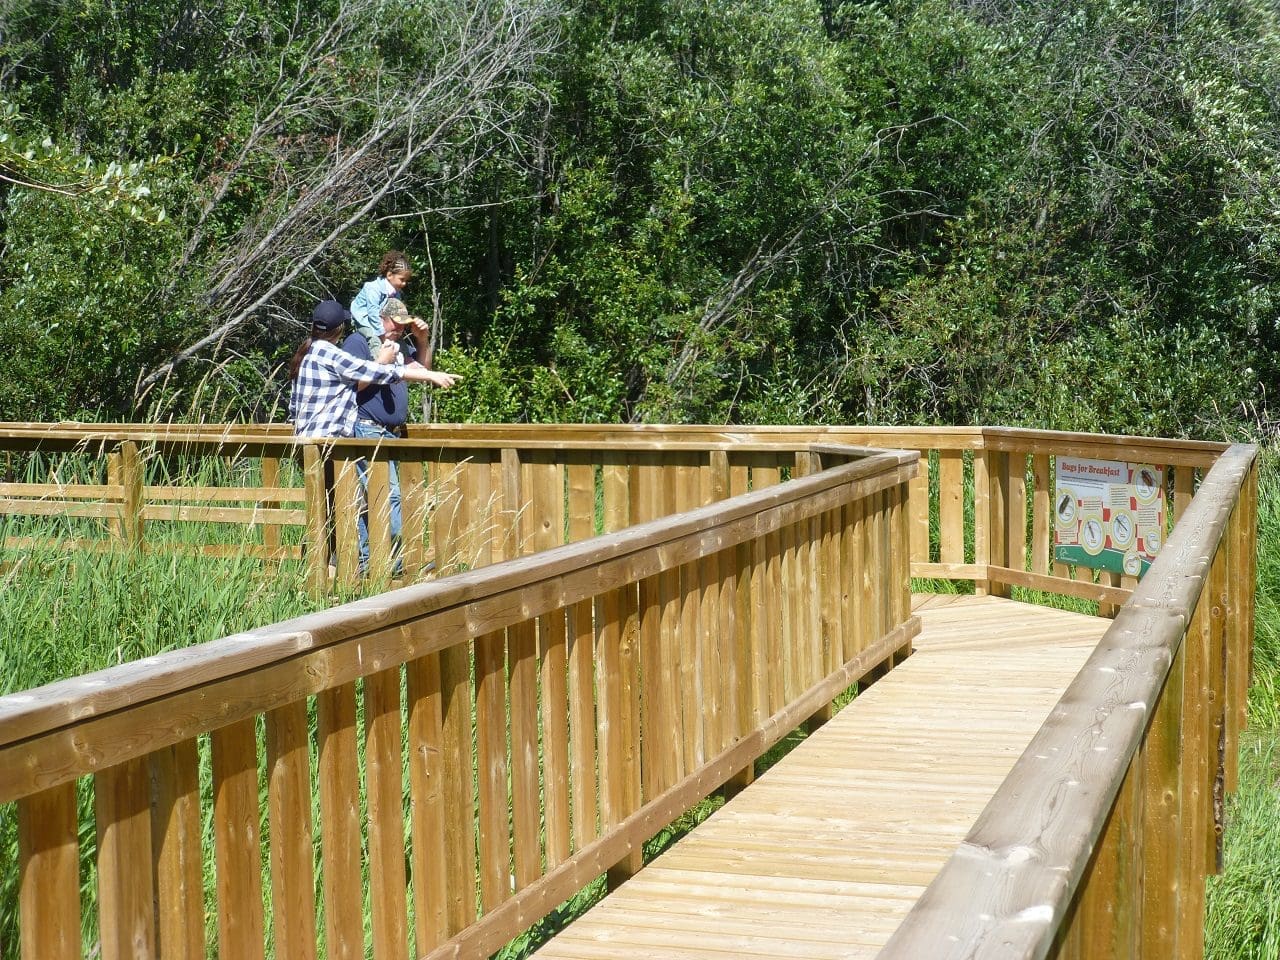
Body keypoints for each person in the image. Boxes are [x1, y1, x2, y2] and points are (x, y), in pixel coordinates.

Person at [288, 298, 459, 575]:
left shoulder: (308, 353)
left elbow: (294, 407)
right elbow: (374, 371)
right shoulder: (331, 353)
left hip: (312, 445)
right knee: (355, 503)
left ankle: (346, 565)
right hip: (328, 445)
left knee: (336, 505)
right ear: (339, 329)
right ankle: (375, 565)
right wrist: (426, 376)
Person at [343, 297, 458, 572]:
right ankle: (396, 559)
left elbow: (423, 371)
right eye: (394, 324)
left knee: (382, 496)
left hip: (392, 433)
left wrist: (422, 341)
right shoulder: (358, 342)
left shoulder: (400, 345)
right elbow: (350, 385)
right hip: (367, 427)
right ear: (379, 317)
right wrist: (382, 364)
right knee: (389, 496)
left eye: (402, 326)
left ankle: (370, 561)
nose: (397, 329)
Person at [350, 250, 412, 352]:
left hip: (380, 323)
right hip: (364, 321)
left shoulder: (396, 294)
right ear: (389, 275)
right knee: (375, 340)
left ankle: (408, 361)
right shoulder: (373, 288)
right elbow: (372, 313)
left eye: (406, 280)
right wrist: (382, 334)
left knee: (400, 342)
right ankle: (379, 363)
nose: (404, 283)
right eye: (402, 279)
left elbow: (397, 313)